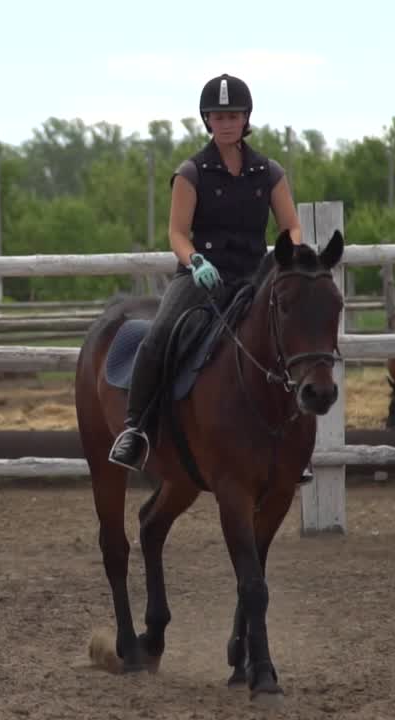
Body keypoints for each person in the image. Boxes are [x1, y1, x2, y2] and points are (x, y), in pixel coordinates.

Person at [108, 72, 305, 472]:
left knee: (291, 342)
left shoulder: (269, 173)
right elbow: (177, 233)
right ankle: (135, 430)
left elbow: (292, 226)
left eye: (233, 115)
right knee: (160, 335)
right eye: (218, 116)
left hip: (253, 275)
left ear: (246, 118)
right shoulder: (191, 172)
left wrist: (291, 255)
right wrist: (195, 260)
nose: (226, 122)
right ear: (207, 121)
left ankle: (292, 444)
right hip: (203, 275)